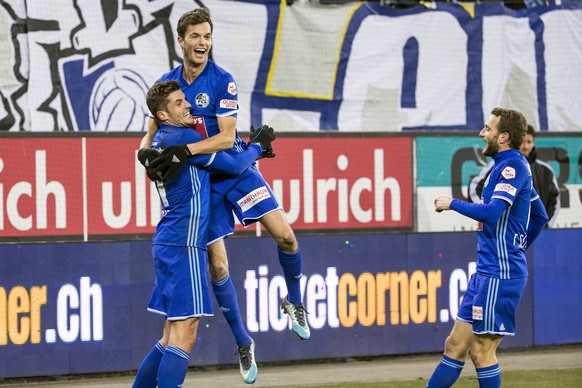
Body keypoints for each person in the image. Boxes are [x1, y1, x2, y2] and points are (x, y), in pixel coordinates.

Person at [138, 7, 311, 382]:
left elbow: (228, 139)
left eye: (208, 36)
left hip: (234, 167)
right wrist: (143, 148)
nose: (203, 43)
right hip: (208, 181)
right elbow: (151, 128)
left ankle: (295, 301)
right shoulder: (170, 86)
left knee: (286, 235)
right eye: (196, 37)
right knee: (218, 267)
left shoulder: (222, 80)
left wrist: (185, 151)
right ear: (181, 41)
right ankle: (243, 341)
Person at [133, 80, 274, 388]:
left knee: (170, 335)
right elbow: (236, 165)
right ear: (164, 114)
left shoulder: (160, 138)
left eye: (186, 99)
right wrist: (257, 147)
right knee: (186, 335)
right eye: (179, 103)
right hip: (184, 244)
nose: (189, 106)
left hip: (167, 241)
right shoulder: (183, 137)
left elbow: (145, 145)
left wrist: (142, 147)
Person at [430, 108, 549, 388]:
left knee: (482, 353)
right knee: (455, 345)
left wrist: (452, 203)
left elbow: (494, 212)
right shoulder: (507, 166)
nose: (482, 133)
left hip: (499, 275)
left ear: (503, 136)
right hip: (486, 273)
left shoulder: (513, 168)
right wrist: (518, 247)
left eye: (488, 129)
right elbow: (540, 216)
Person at [469, 124, 560, 227]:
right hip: (506, 231)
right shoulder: (500, 165)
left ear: (533, 143)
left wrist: (545, 227)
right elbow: (475, 187)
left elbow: (555, 200)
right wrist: (486, 213)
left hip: (537, 233)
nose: (525, 146)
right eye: (522, 142)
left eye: (529, 142)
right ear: (516, 142)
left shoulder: (546, 171)